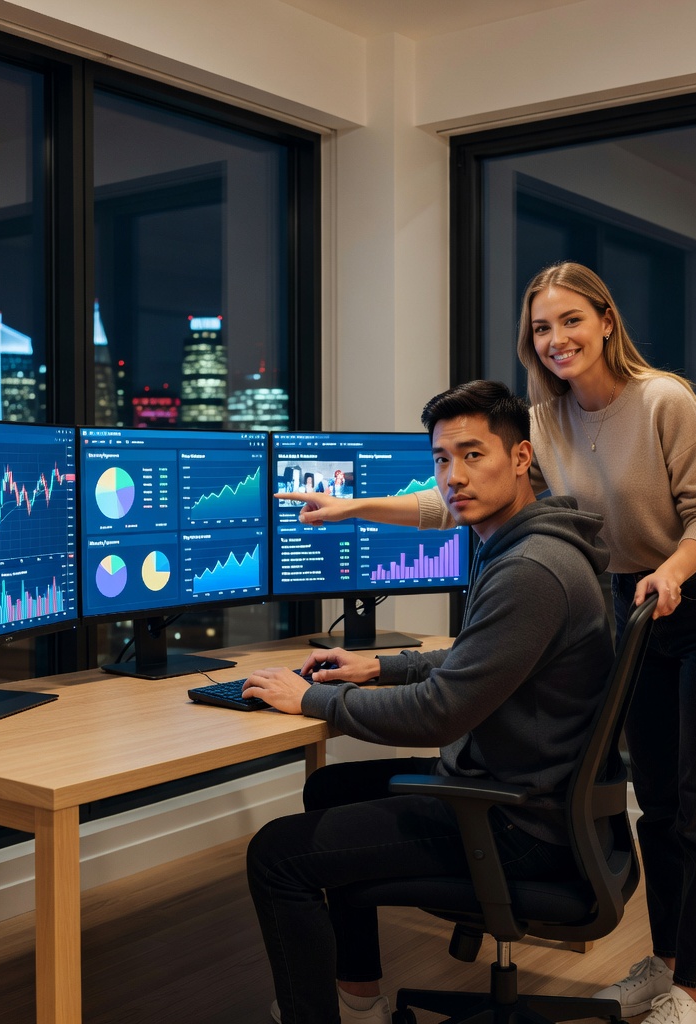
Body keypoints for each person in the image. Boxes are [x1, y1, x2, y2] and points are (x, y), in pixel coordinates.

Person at [280, 263, 696, 1024]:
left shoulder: (663, 400)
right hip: (634, 597)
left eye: (570, 320)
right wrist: (352, 507)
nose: (556, 339)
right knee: (659, 808)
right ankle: (665, 963)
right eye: (542, 327)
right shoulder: (545, 418)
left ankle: (693, 995)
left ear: (606, 321)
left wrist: (672, 570)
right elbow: (454, 499)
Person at [245, 379, 614, 1024]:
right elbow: (483, 659)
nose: (455, 476)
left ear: (522, 458)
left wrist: (312, 702)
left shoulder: (530, 568)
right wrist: (381, 665)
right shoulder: (534, 543)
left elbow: (440, 712)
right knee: (332, 790)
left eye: (474, 455)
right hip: (536, 795)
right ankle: (359, 998)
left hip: (519, 824)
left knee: (276, 853)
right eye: (443, 460)